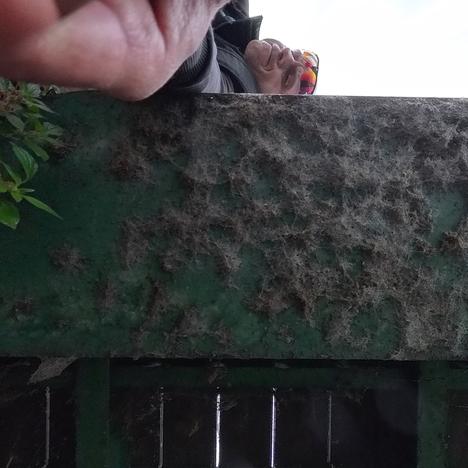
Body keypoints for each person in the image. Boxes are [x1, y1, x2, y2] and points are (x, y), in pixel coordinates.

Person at [0, 0, 318, 100]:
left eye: (289, 76)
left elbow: (205, 80)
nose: (290, 58)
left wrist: (175, 30)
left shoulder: (235, 89)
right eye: (300, 56)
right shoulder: (239, 33)